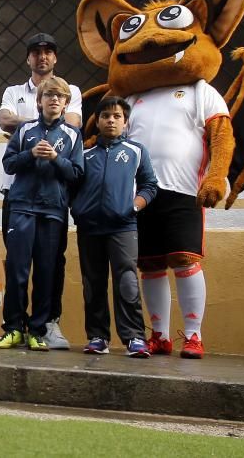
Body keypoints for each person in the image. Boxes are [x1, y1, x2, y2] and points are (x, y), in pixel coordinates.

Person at [0, 32, 82, 349]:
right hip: (20, 204)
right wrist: (31, 154)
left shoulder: (71, 135)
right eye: (49, 96)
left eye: (59, 97)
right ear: (39, 101)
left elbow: (76, 172)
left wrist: (56, 158)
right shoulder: (26, 129)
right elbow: (8, 163)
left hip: (53, 208)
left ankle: (39, 330)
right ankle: (13, 327)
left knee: (47, 271)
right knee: (17, 269)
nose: (54, 100)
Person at [70, 97, 156, 357]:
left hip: (123, 227)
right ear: (97, 121)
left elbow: (149, 185)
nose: (111, 120)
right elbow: (71, 186)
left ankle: (135, 338)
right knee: (93, 283)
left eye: (117, 116)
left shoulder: (136, 151)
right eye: (105, 116)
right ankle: (97, 337)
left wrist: (134, 207)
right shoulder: (84, 154)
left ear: (125, 122)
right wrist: (78, 209)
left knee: (127, 281)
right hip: (89, 229)